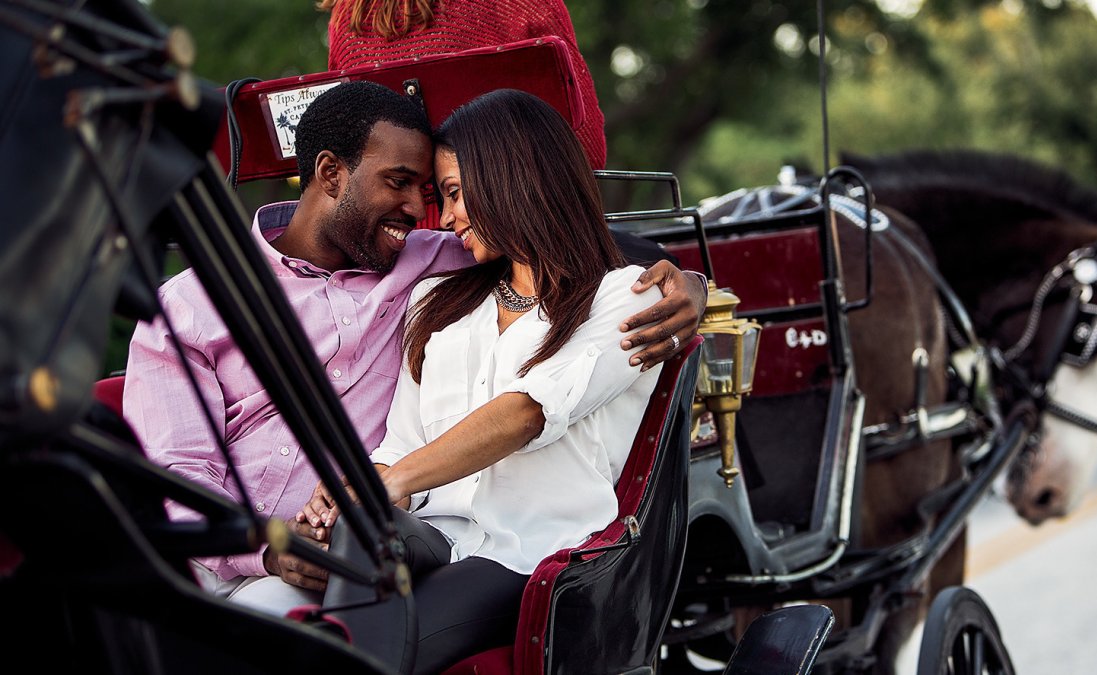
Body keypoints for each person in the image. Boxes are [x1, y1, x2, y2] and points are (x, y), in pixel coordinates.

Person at [123, 81, 705, 616]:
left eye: (434, 193)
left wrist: (688, 284)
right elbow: (172, 473)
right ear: (330, 174)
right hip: (214, 560)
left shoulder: (431, 263)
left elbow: (558, 244)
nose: (422, 211)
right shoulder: (188, 305)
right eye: (399, 183)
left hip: (353, 547)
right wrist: (266, 549)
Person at [304, 87, 667, 675]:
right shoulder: (436, 304)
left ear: (511, 175)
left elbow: (528, 413)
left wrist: (388, 484)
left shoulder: (624, 295)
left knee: (375, 644)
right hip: (435, 532)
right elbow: (400, 444)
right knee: (361, 526)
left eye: (451, 194)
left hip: (535, 552)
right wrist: (357, 486)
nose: (444, 219)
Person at [320, 0, 606, 171]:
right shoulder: (515, 5)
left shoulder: (347, 17)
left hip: (397, 240)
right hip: (505, 231)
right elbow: (588, 150)